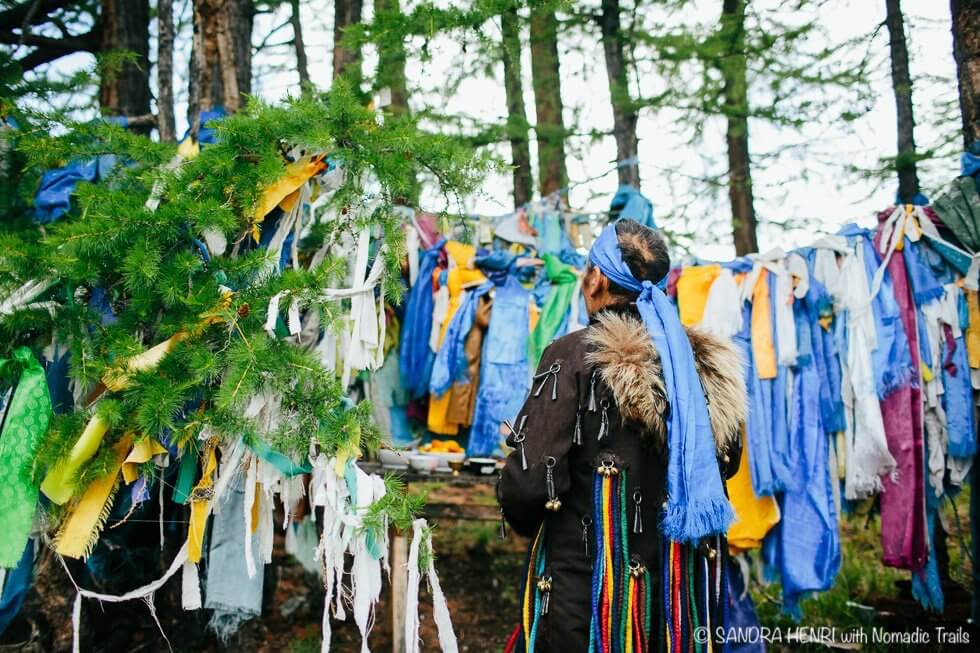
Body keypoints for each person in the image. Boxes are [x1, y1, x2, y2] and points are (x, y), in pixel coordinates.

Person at [498, 219, 746, 652]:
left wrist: (524, 517)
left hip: (587, 603)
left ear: (595, 279)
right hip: (677, 605)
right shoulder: (701, 365)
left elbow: (528, 482)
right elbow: (727, 463)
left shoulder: (574, 355)